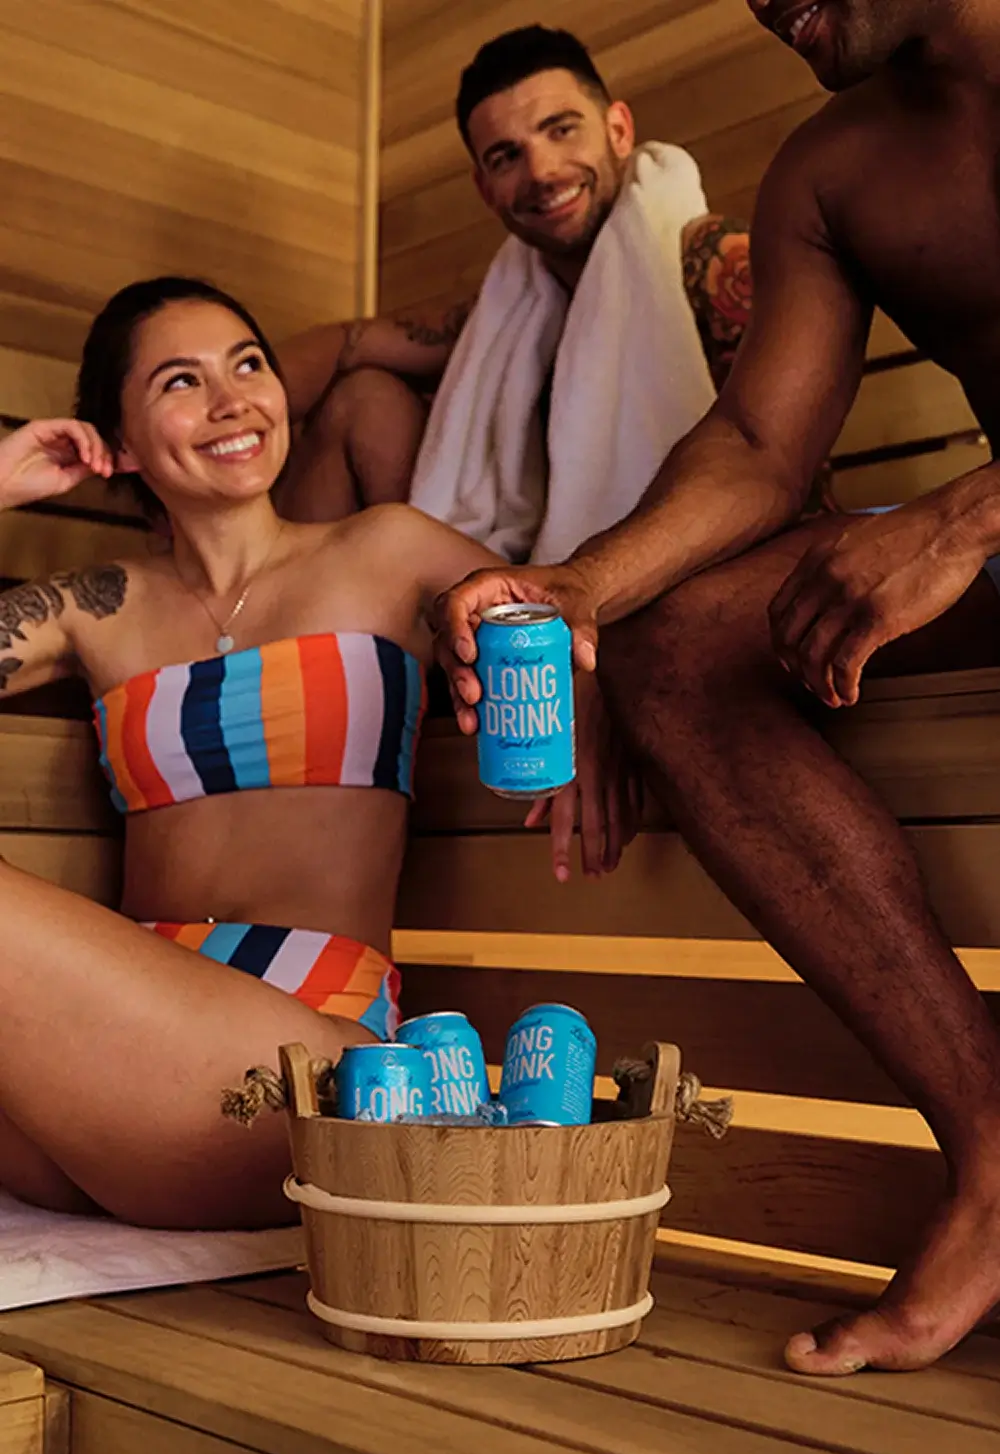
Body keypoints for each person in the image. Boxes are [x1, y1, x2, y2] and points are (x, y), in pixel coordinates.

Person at [437, 0, 1000, 1378]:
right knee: (674, 648)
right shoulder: (833, 165)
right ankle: (995, 1148)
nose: (769, 1)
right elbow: (757, 439)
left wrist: (960, 522)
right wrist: (580, 589)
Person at [0, 275, 626, 1233]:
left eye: (248, 365)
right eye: (180, 381)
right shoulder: (100, 604)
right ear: (117, 444)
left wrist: (590, 716)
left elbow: (550, 624)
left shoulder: (384, 550)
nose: (230, 400)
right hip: (103, 1075)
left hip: (300, 1070)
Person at [274, 26, 753, 532]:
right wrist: (209, 434)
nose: (542, 172)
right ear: (485, 188)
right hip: (528, 581)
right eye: (506, 157)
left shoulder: (714, 263)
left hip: (685, 560)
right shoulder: (504, 314)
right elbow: (347, 344)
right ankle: (258, 602)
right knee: (363, 398)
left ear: (618, 131)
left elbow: (777, 472)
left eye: (562, 129)